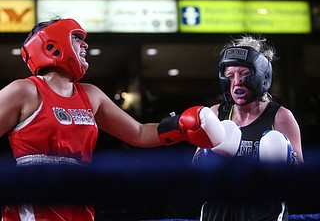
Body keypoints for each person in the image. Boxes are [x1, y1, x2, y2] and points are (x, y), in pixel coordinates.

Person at [0, 17, 220, 221]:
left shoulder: (91, 94)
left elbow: (139, 133)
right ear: (50, 44)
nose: (85, 45)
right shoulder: (25, 90)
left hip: (80, 198)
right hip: (34, 199)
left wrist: (181, 125)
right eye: (76, 38)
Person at [192, 35, 304, 221]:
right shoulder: (215, 114)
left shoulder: (280, 116)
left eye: (244, 75)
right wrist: (207, 155)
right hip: (218, 208)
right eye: (230, 76)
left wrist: (285, 159)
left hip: (264, 210)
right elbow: (195, 172)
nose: (237, 82)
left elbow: (300, 177)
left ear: (261, 76)